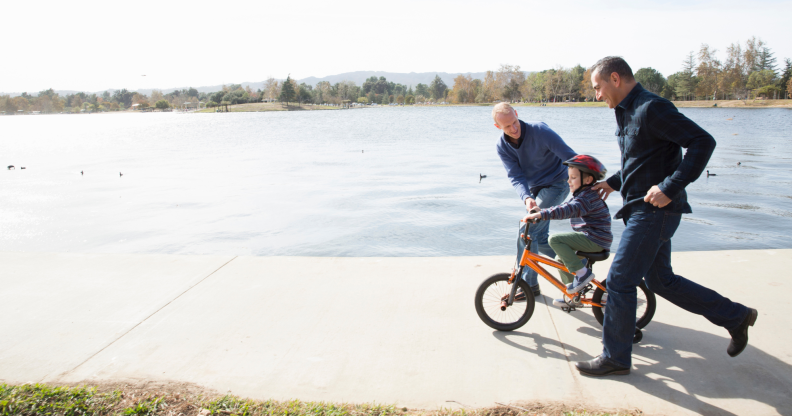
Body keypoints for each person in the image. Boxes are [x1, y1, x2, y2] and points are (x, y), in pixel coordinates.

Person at [576, 56, 757, 377]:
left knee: (619, 281)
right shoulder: (627, 111)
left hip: (655, 212)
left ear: (614, 79)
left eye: (597, 87)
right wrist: (612, 183)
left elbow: (702, 142)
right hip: (638, 210)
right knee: (660, 280)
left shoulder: (651, 108)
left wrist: (671, 187)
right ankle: (735, 316)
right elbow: (642, 157)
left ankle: (615, 357)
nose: (596, 95)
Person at [493, 103, 577, 298]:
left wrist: (592, 180)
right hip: (536, 189)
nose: (513, 129)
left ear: (517, 114)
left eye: (514, 122)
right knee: (538, 238)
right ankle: (575, 266)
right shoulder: (502, 146)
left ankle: (529, 286)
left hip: (559, 183)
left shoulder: (540, 131)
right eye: (507, 127)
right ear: (498, 127)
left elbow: (570, 156)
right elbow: (515, 176)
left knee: (527, 229)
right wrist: (527, 198)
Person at [523, 155, 612, 308]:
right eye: (568, 177)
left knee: (555, 240)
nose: (568, 181)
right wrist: (540, 211)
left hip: (595, 240)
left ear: (588, 180)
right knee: (559, 259)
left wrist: (541, 215)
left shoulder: (586, 198)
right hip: (592, 239)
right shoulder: (582, 195)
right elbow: (562, 207)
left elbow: (566, 210)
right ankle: (573, 294)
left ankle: (582, 274)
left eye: (573, 177)